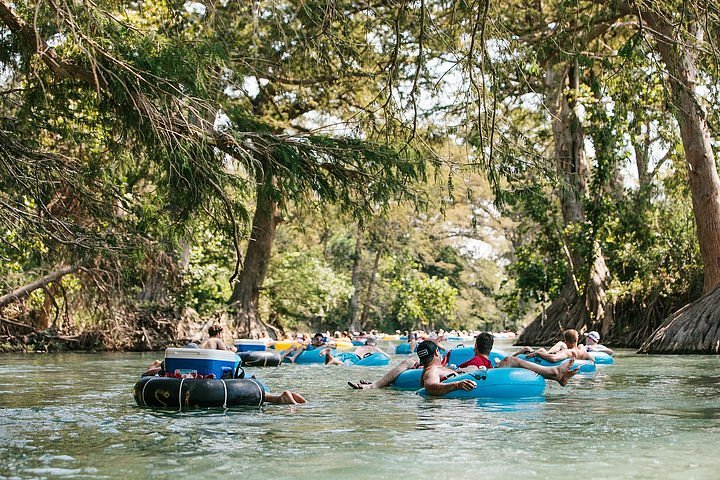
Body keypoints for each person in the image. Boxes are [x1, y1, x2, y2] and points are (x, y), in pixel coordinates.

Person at [516, 329, 595, 362]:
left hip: (549, 356)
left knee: (527, 348)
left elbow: (554, 359)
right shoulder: (583, 353)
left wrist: (538, 354)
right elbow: (593, 360)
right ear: (577, 340)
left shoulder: (568, 352)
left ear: (566, 341)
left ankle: (508, 358)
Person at [322, 335, 389, 365]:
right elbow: (388, 357)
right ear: (375, 343)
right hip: (355, 358)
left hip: (349, 354)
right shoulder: (373, 348)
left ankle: (329, 356)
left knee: (335, 360)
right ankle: (334, 360)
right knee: (344, 365)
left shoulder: (362, 346)